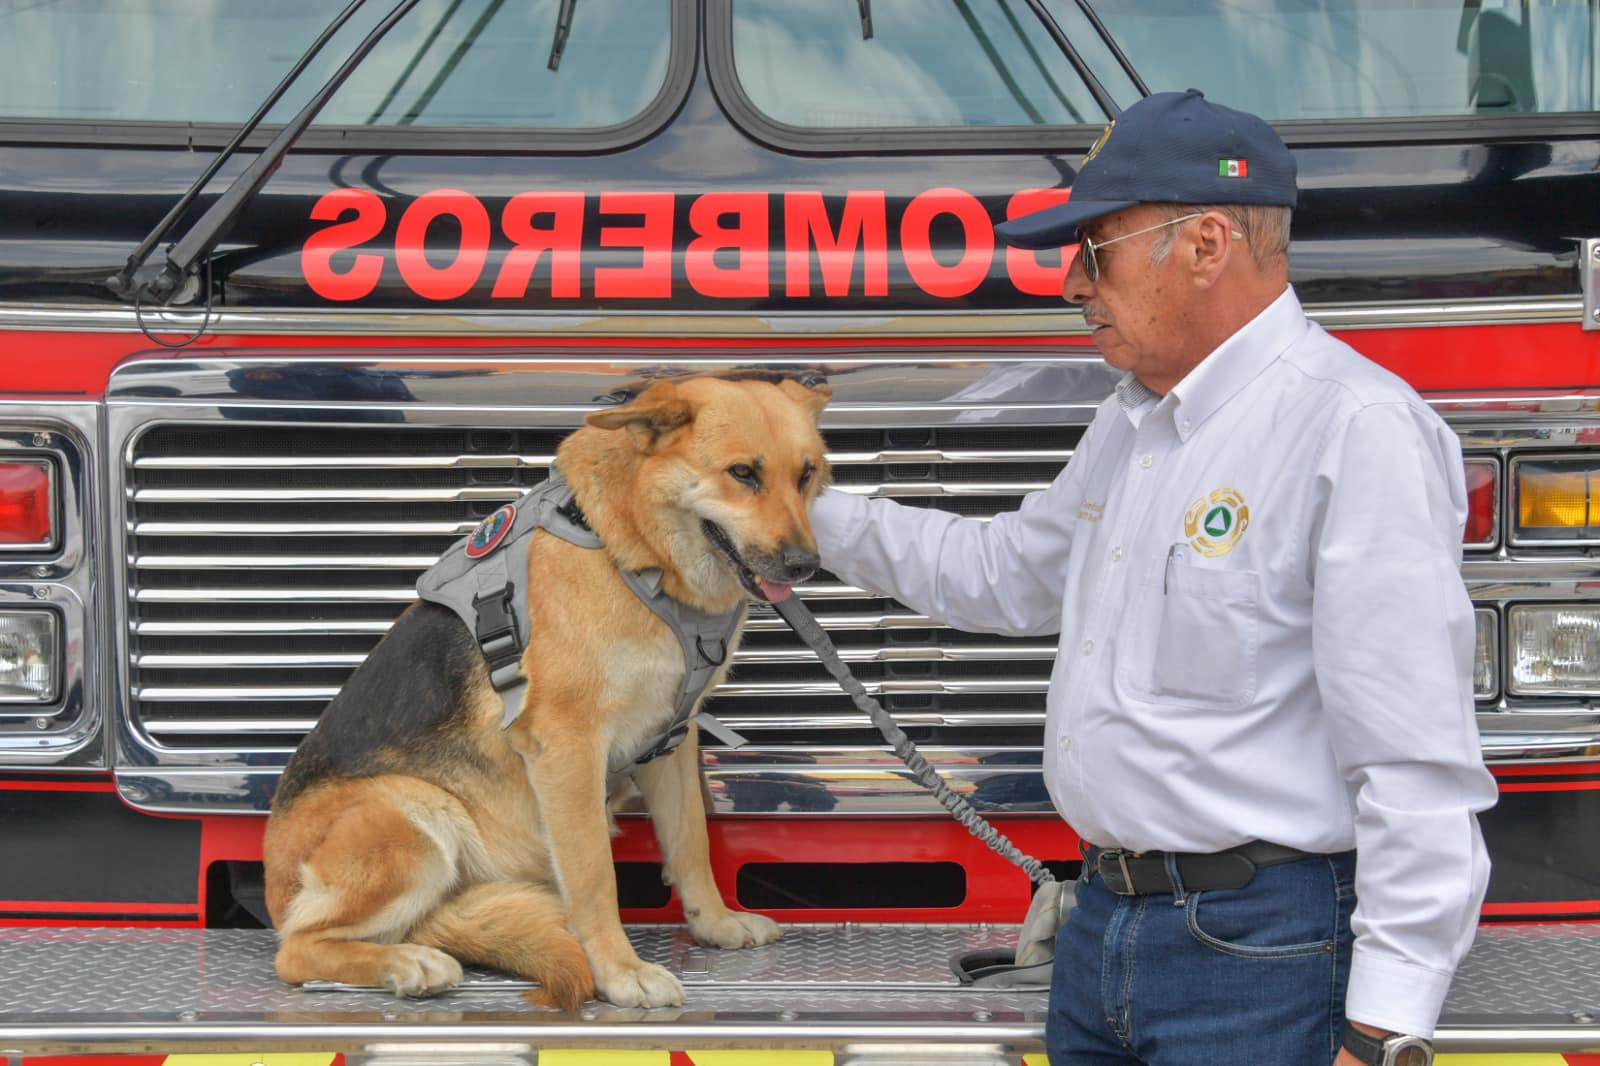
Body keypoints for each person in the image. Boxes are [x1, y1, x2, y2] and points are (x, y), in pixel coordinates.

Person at [807, 89, 1496, 1065]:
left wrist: (1380, 1030)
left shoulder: (1354, 430)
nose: (1070, 284)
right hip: (1101, 935)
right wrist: (794, 515)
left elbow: (1414, 763)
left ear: (1205, 243)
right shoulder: (1132, 420)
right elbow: (1006, 572)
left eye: (1095, 251)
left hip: (1257, 957)